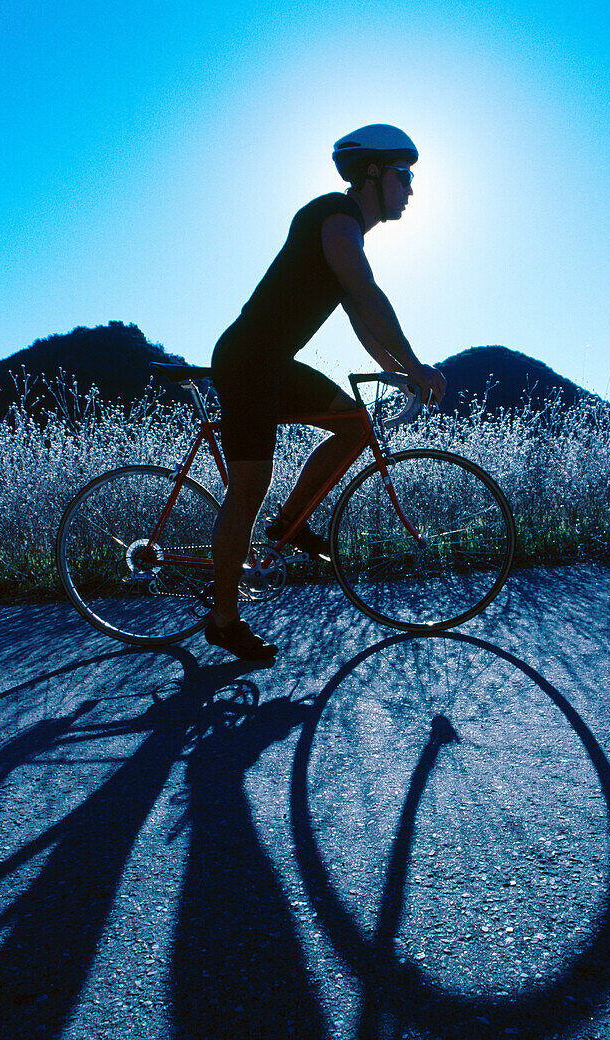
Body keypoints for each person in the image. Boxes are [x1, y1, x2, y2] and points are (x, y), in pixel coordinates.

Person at [206, 124, 447, 659]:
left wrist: (396, 370)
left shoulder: (346, 231)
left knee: (355, 425)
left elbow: (359, 312)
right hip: (248, 363)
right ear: (373, 174)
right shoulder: (334, 216)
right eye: (404, 176)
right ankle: (223, 620)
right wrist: (414, 365)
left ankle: (291, 520)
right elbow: (364, 291)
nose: (411, 188)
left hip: (274, 364)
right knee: (248, 486)